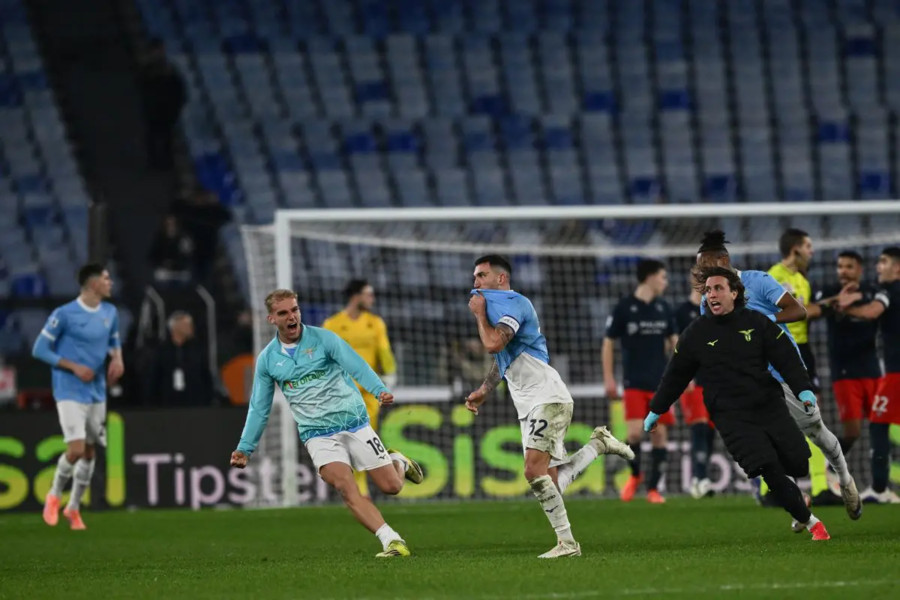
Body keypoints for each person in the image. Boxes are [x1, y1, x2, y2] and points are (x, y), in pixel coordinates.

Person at [464, 255, 634, 559]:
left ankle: (568, 544)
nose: (475, 282)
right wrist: (484, 390)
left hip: (547, 396)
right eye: (474, 277)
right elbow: (503, 360)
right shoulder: (497, 308)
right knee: (550, 481)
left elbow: (494, 345)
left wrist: (478, 315)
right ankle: (597, 446)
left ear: (500, 279)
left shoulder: (514, 303)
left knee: (532, 470)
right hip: (528, 402)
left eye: (481, 275)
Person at [230, 289, 422, 557]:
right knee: (345, 486)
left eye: (294, 310)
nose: (292, 316)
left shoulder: (324, 339)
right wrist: (245, 448)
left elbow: (356, 365)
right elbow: (259, 407)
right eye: (283, 313)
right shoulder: (268, 360)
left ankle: (399, 462)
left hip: (353, 423)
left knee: (392, 486)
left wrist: (378, 390)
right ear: (271, 319)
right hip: (317, 435)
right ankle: (391, 540)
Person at [643, 267, 831, 541]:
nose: (711, 294)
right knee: (767, 467)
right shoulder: (695, 333)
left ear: (734, 293)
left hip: (767, 403)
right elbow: (675, 376)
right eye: (707, 290)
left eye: (718, 288)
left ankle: (796, 501)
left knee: (798, 460)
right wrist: (656, 409)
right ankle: (812, 523)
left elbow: (786, 357)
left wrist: (804, 390)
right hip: (730, 415)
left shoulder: (757, 322)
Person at [695, 231, 860, 519]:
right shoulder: (706, 300)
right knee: (766, 444)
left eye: (705, 266)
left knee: (816, 432)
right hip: (751, 381)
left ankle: (845, 480)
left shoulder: (757, 281)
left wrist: (763, 322)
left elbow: (797, 311)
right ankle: (798, 505)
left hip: (783, 372)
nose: (701, 274)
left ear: (723, 261)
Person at [32, 264, 124, 530]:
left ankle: (73, 508)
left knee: (91, 450)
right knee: (76, 449)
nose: (111, 283)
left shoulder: (110, 312)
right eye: (107, 278)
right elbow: (39, 349)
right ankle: (53, 496)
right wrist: (73, 366)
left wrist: (117, 359)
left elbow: (113, 340)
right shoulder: (65, 314)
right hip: (69, 388)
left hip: (97, 389)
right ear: (93, 284)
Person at [602, 259, 677, 503]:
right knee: (634, 434)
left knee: (659, 435)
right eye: (663, 277)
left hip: (660, 384)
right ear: (650, 277)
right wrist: (609, 378)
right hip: (633, 382)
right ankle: (635, 476)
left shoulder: (665, 308)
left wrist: (681, 373)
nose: (665, 282)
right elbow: (608, 342)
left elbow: (675, 343)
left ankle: (653, 489)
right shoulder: (624, 308)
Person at [836, 247, 900, 503]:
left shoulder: (890, 291)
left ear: (897, 268)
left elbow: (873, 311)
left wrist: (845, 309)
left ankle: (879, 488)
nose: (878, 266)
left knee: (877, 424)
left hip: (896, 372)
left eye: (883, 262)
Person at [323, 280, 397, 499]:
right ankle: (359, 488)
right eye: (368, 294)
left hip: (369, 394)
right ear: (355, 296)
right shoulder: (333, 324)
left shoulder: (375, 323)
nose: (371, 299)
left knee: (363, 438)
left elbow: (385, 352)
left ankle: (360, 489)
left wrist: (390, 378)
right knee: (348, 440)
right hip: (341, 393)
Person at [812, 252, 882, 460]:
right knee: (852, 432)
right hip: (844, 372)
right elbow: (817, 307)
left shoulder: (871, 291)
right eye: (840, 266)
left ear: (859, 270)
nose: (843, 271)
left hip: (872, 369)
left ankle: (883, 482)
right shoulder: (829, 292)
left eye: (849, 266)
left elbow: (878, 303)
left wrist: (855, 299)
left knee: (884, 427)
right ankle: (830, 466)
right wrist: (839, 301)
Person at [674, 283, 716, 499]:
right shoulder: (681, 312)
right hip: (692, 380)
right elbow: (675, 344)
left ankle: (700, 478)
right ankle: (701, 478)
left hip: (713, 379)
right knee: (698, 428)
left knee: (709, 431)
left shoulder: (713, 309)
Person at [768, 228, 822, 390]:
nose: (811, 252)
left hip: (803, 347)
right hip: (781, 346)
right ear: (795, 249)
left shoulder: (803, 281)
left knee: (813, 400)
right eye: (808, 246)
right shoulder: (772, 276)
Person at [147, 311, 214, 407]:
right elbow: (154, 377)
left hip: (194, 402)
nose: (191, 328)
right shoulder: (162, 350)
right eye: (187, 325)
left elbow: (205, 375)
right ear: (175, 327)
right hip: (167, 402)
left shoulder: (197, 349)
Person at [140, 38, 187, 170]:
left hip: (168, 110)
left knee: (168, 139)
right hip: (154, 109)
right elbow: (143, 88)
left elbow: (179, 89)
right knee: (153, 137)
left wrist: (176, 106)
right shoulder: (147, 71)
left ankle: (168, 164)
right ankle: (154, 164)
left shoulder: (170, 69)